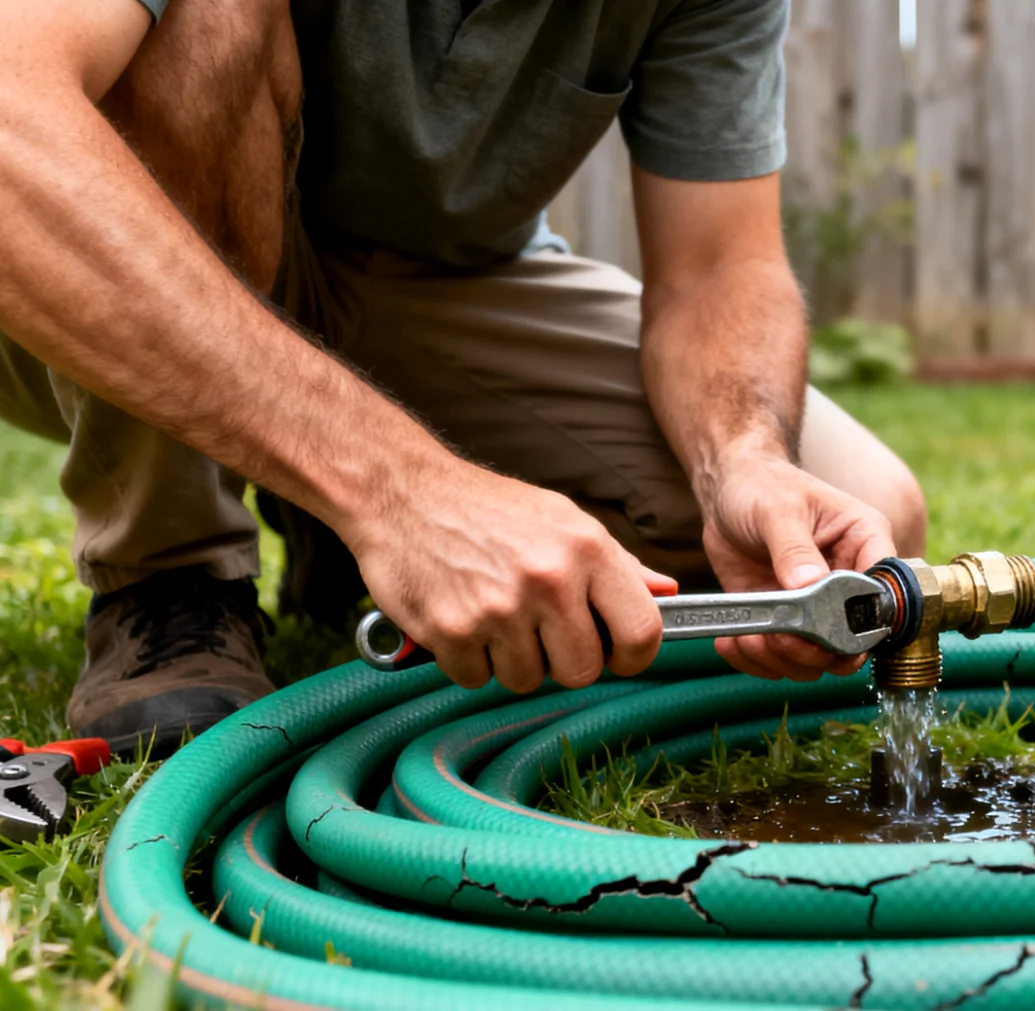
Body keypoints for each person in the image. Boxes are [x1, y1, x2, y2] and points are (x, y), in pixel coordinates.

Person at [0, 0, 927, 755]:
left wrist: (745, 457)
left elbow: (717, 269)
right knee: (208, 19)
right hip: (108, 262)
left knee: (858, 509)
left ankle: (323, 526)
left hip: (428, 283)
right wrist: (401, 490)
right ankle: (171, 575)